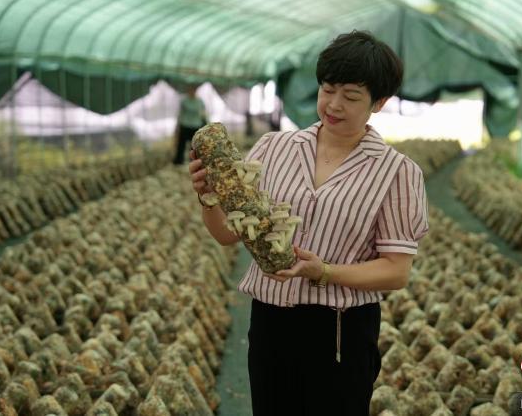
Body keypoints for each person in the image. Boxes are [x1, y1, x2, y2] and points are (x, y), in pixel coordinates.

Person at [188, 30, 429, 416]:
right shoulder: (273, 148)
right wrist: (208, 198)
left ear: (378, 103)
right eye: (327, 89)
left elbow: (396, 272)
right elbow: (226, 234)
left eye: (350, 97)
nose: (333, 104)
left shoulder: (398, 173)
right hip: (270, 324)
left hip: (339, 331)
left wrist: (324, 272)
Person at [173, 83, 206, 165]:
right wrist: (178, 126)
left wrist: (205, 124)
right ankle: (179, 161)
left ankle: (194, 162)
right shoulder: (184, 101)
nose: (192, 92)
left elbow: (203, 114)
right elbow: (180, 114)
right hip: (185, 125)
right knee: (181, 145)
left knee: (194, 147)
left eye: (194, 90)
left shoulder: (200, 101)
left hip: (195, 126)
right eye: (190, 90)